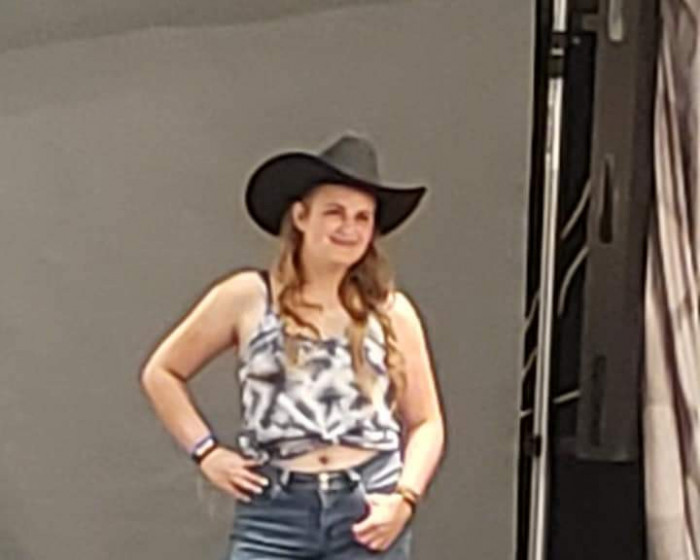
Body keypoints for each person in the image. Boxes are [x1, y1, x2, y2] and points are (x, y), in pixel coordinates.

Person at [140, 133, 446, 559]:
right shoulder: (248, 296)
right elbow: (162, 372)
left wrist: (404, 498)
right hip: (274, 510)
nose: (349, 228)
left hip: (366, 507)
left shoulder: (391, 311)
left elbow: (427, 421)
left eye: (362, 217)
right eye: (334, 212)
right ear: (301, 216)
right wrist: (207, 453)